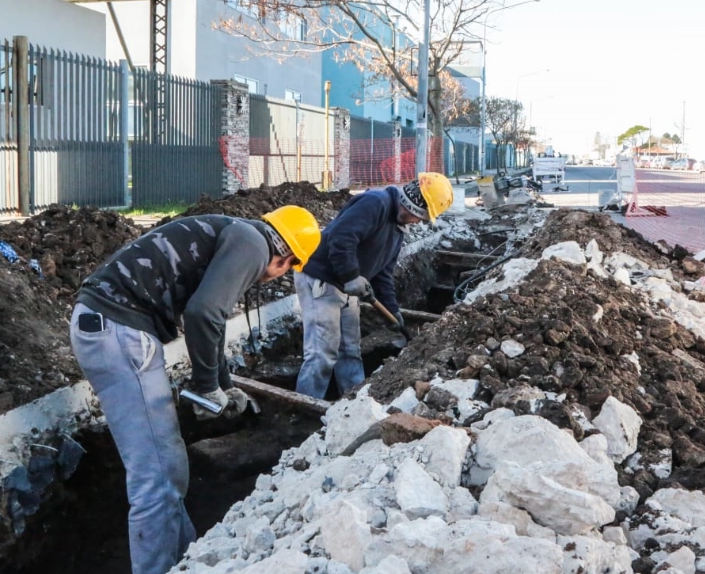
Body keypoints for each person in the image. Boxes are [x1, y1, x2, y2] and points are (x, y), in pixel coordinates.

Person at [70, 206, 321, 574]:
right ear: (286, 259)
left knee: (169, 468)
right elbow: (204, 314)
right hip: (118, 332)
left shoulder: (239, 233)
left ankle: (188, 559)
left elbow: (210, 322)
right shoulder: (254, 246)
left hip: (110, 325)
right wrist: (206, 389)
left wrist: (224, 383)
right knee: (155, 475)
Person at [295, 172, 453, 400]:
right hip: (321, 279)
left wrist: (392, 309)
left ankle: (355, 403)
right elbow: (341, 237)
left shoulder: (397, 231)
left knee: (350, 351)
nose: (420, 222)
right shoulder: (375, 203)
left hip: (347, 285)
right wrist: (351, 276)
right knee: (322, 353)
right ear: (415, 205)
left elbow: (384, 275)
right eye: (423, 216)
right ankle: (305, 406)